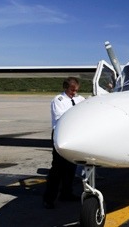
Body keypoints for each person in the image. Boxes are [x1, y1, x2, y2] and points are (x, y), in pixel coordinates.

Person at [43, 77, 85, 209]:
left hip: (75, 135)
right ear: (66, 88)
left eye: (76, 90)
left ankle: (66, 193)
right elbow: (60, 116)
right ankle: (49, 198)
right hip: (61, 134)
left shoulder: (80, 99)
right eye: (72, 90)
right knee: (57, 168)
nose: (74, 93)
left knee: (71, 167)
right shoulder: (58, 100)